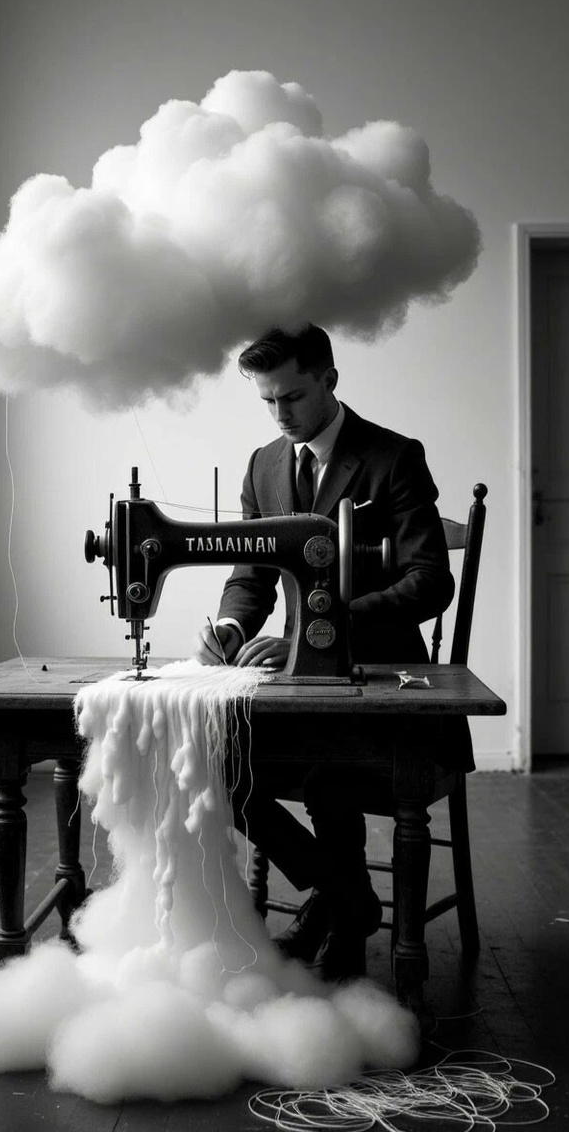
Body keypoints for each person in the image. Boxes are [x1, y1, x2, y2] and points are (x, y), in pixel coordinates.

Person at [194, 323, 466, 979]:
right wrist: (231, 628)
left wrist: (320, 631)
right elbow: (251, 576)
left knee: (328, 778)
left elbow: (432, 581)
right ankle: (347, 897)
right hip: (301, 686)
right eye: (267, 400)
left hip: (387, 689)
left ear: (330, 380)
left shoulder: (393, 458)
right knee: (212, 759)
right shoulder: (264, 465)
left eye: (291, 397)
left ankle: (339, 915)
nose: (279, 414)